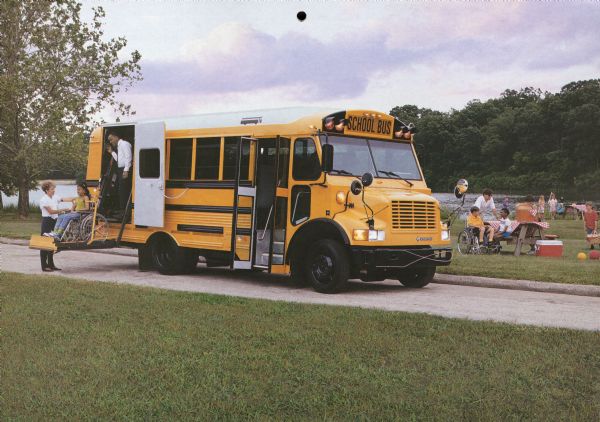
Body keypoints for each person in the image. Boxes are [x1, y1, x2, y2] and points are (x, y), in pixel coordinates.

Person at [39, 181, 65, 271]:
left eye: (54, 189)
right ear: (46, 190)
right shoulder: (44, 200)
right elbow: (50, 212)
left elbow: (64, 199)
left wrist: (77, 198)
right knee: (44, 244)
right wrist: (62, 210)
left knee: (52, 243)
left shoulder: (55, 197)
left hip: (54, 222)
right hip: (47, 222)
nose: (54, 190)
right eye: (52, 189)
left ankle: (51, 264)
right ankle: (44, 266)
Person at [106, 131, 132, 214]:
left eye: (111, 139)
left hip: (124, 169)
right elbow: (119, 160)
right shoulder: (119, 146)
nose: (111, 141)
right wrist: (111, 152)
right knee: (120, 190)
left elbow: (128, 157)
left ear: (116, 137)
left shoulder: (124, 144)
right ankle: (122, 210)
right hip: (120, 169)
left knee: (124, 190)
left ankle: (126, 211)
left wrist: (126, 169)